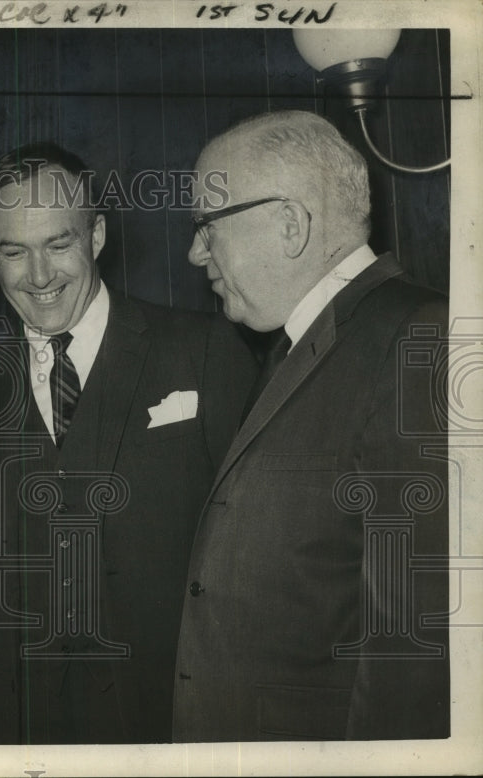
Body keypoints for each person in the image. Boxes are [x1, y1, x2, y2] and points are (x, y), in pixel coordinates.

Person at [0, 142, 256, 744]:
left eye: (59, 244)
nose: (40, 276)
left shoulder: (208, 350)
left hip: (174, 726)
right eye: (14, 251)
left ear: (96, 235)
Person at [173, 109, 449, 741]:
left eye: (207, 225)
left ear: (291, 224)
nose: (194, 252)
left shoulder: (419, 338)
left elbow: (415, 647)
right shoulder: (295, 345)